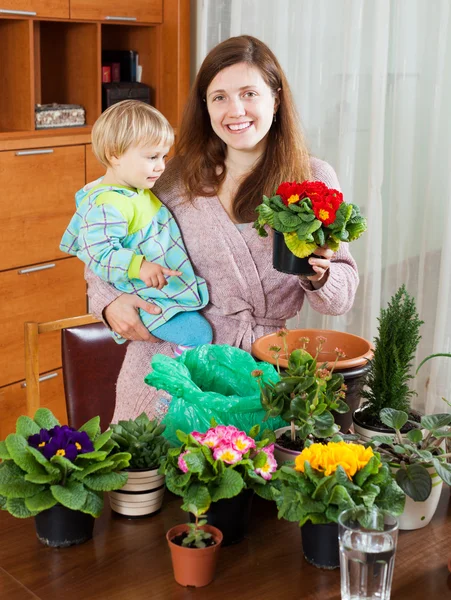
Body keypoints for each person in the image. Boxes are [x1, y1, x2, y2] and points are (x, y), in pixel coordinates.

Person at [86, 35, 359, 423]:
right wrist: (107, 301)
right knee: (145, 476)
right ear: (205, 106)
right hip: (168, 360)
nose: (235, 110)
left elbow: (339, 298)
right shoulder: (172, 176)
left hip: (259, 368)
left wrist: (322, 274)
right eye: (219, 97)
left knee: (240, 476)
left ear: (275, 99)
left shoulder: (312, 178)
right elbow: (101, 238)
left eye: (249, 93)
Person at [60, 100, 212, 356]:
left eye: (164, 156)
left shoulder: (132, 189)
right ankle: (175, 388)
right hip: (147, 300)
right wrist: (138, 266)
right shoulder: (107, 204)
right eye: (152, 157)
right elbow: (99, 254)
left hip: (160, 292)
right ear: (115, 155)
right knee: (198, 334)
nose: (162, 165)